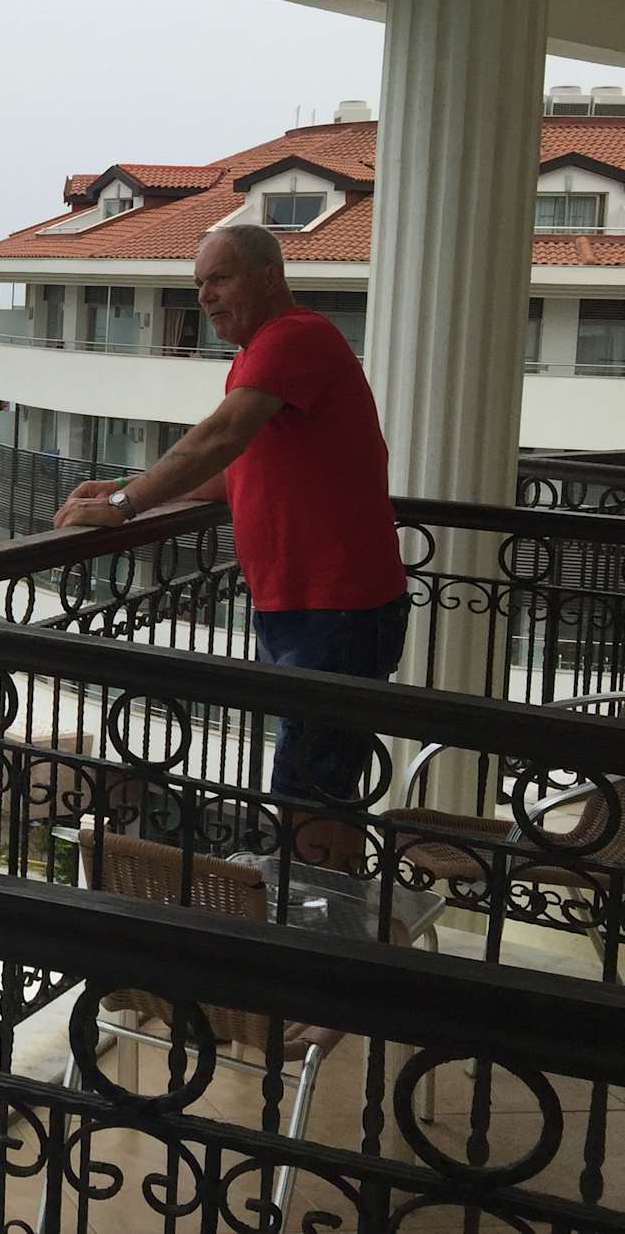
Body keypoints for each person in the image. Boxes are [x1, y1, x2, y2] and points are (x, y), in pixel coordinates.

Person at [55, 224, 407, 836]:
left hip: (338, 608)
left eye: (219, 279)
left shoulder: (295, 336)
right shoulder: (256, 354)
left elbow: (220, 437)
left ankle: (309, 897)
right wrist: (124, 487)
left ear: (269, 276)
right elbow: (230, 469)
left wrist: (125, 505)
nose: (205, 296)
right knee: (320, 787)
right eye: (199, 284)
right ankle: (323, 891)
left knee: (308, 793)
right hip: (303, 605)